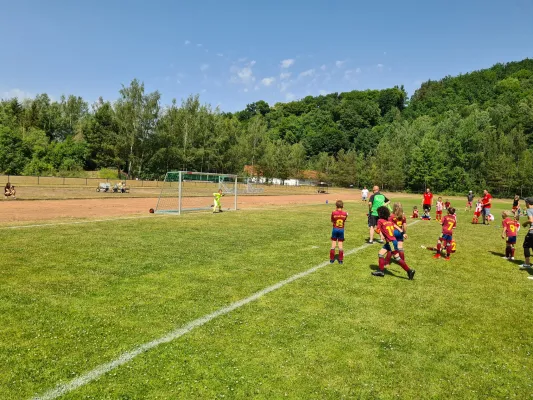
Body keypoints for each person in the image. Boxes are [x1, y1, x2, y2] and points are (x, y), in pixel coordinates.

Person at [372, 206, 415, 279]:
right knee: (380, 254)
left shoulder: (380, 220)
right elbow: (395, 225)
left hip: (390, 242)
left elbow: (377, 229)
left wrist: (377, 231)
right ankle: (381, 271)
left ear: (380, 214)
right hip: (392, 241)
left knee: (397, 258)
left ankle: (409, 271)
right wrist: (402, 233)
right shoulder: (389, 221)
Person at [330, 200, 348, 264]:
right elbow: (344, 220)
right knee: (340, 245)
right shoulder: (345, 213)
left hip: (335, 229)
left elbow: (332, 220)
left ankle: (332, 259)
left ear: (336, 206)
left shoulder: (333, 212)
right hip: (341, 230)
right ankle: (340, 260)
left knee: (333, 244)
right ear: (342, 206)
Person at [519, 197, 533, 270]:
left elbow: (531, 220)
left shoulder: (529, 210)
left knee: (526, 246)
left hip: (532, 232)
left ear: (528, 203)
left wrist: (524, 223)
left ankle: (527, 263)